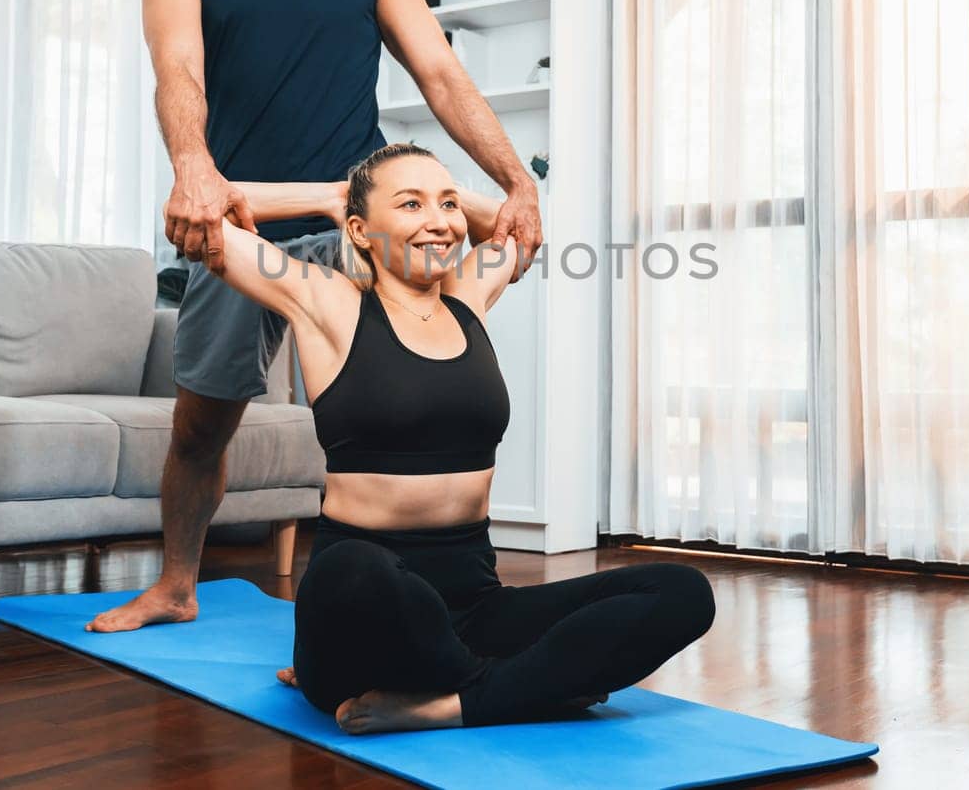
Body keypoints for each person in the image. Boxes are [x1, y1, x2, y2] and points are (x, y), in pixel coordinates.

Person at [89, 0, 542, 633]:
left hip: (360, 223)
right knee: (200, 428)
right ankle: (178, 582)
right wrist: (192, 166)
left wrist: (515, 179)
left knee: (416, 409)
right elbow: (177, 70)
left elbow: (442, 73)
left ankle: (441, 591)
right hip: (244, 218)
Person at [207, 142, 716, 733]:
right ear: (360, 230)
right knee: (357, 569)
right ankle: (533, 684)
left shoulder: (467, 296)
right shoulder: (328, 301)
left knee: (681, 592)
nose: (440, 220)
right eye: (410, 204)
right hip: (365, 601)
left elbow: (519, 228)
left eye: (448, 203)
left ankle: (461, 700)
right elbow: (202, 219)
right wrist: (330, 196)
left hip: (475, 609)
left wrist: (446, 204)